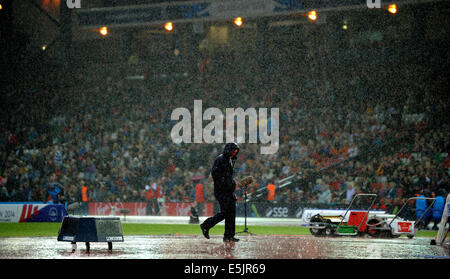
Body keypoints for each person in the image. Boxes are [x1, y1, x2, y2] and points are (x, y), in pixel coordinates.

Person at [200, 142, 240, 242]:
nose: (234, 153)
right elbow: (215, 174)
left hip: (228, 190)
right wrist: (227, 183)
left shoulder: (229, 159)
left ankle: (229, 235)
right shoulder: (221, 159)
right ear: (228, 150)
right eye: (233, 151)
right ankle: (206, 225)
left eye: (236, 152)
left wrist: (232, 183)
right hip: (222, 191)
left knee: (231, 212)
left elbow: (227, 176)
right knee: (226, 212)